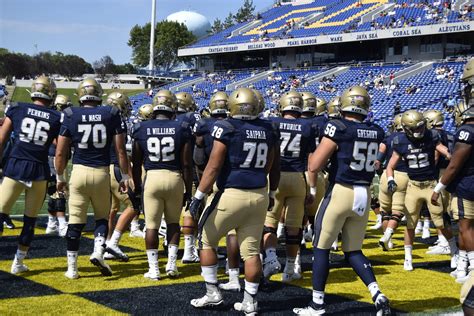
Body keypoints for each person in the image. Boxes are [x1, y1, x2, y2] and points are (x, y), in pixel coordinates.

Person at [294, 86, 390, 315]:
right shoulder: (376, 130)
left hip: (341, 191)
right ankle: (377, 293)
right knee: (354, 250)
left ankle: (317, 304)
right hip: (364, 195)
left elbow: (314, 165)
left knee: (321, 248)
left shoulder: (339, 127)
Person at [188, 87, 280, 314]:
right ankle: (250, 301)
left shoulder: (226, 127)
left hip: (231, 193)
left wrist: (199, 195)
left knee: (205, 239)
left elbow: (214, 165)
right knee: (250, 251)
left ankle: (212, 293)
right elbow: (271, 164)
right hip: (259, 193)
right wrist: (270, 193)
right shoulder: (268, 128)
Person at [55, 78, 130, 279]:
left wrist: (59, 176)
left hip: (78, 172)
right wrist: (124, 176)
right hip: (101, 172)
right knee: (101, 217)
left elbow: (60, 152)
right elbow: (121, 150)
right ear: (98, 94)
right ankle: (98, 251)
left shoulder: (70, 114)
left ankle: (72, 268)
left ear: (80, 94)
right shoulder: (110, 113)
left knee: (76, 221)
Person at [0, 76, 62, 274]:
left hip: (15, 167)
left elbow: (2, 138)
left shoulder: (17, 108)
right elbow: (58, 147)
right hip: (39, 171)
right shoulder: (54, 117)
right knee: (30, 220)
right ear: (51, 93)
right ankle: (18, 263)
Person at [132, 89, 193, 279]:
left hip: (152, 177)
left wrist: (137, 186)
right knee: (174, 223)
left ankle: (154, 269)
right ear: (173, 107)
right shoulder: (182, 127)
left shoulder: (141, 127)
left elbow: (136, 162)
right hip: (174, 177)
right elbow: (186, 164)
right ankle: (172, 264)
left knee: (151, 226)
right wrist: (188, 190)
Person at [385, 110, 456, 271]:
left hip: (431, 185)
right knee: (410, 224)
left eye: (421, 127)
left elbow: (444, 151)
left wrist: (453, 156)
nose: (419, 131)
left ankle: (454, 252)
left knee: (440, 222)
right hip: (413, 187)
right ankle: (408, 258)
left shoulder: (431, 136)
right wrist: (390, 179)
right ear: (406, 128)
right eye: (415, 129)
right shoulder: (400, 141)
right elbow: (390, 166)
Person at [431, 59, 474, 313]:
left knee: (465, 225)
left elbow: (455, 165)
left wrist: (438, 189)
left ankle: (467, 267)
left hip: (468, 186)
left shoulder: (467, 130)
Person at [262, 91, 318, 282]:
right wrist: (312, 188)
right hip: (297, 178)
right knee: (293, 227)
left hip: (275, 177)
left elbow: (267, 154)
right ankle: (289, 269)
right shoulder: (308, 126)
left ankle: (270, 258)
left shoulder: (272, 123)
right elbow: (311, 160)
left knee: (270, 223)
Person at [103, 91, 139, 262]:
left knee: (111, 210)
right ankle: (113, 243)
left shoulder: (100, 119)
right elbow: (122, 152)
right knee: (135, 205)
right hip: (116, 168)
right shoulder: (118, 123)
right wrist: (128, 175)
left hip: (101, 169)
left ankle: (105, 245)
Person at [175, 91, 202, 264]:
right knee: (191, 208)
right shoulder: (192, 118)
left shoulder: (169, 119)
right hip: (189, 168)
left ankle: (169, 241)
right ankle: (190, 249)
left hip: (169, 169)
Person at [376, 113, 409, 251]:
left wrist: (380, 174)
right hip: (403, 175)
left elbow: (377, 161)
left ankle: (388, 242)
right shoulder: (410, 138)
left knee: (385, 212)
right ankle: (387, 236)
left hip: (386, 175)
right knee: (397, 211)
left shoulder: (387, 139)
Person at [45, 94, 73, 237]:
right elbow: (57, 142)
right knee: (59, 190)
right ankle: (61, 224)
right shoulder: (60, 119)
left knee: (53, 190)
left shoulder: (52, 116)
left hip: (52, 155)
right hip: (56, 156)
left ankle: (51, 223)